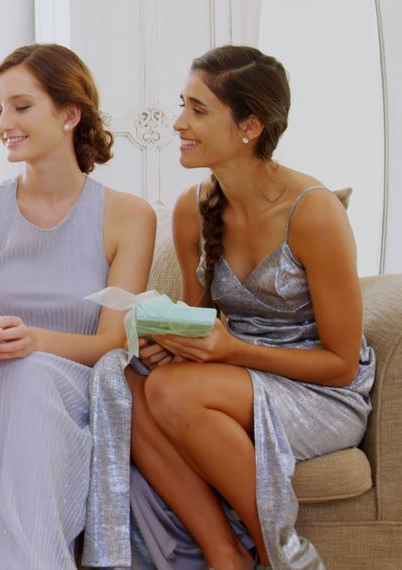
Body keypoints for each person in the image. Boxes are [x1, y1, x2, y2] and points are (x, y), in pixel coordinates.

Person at [84, 45, 375, 570]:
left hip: (321, 391)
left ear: (249, 127)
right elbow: (201, 328)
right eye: (183, 105)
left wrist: (230, 350)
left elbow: (341, 365)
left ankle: (277, 553)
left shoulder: (314, 213)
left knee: (172, 391)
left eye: (198, 110)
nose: (179, 123)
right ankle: (223, 553)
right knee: (118, 375)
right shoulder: (192, 209)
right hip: (235, 373)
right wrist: (169, 339)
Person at [0, 43, 156, 569]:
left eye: (21, 106)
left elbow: (110, 344)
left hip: (72, 386)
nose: (4, 121)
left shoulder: (128, 216)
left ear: (69, 114)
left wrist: (33, 343)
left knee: (27, 377)